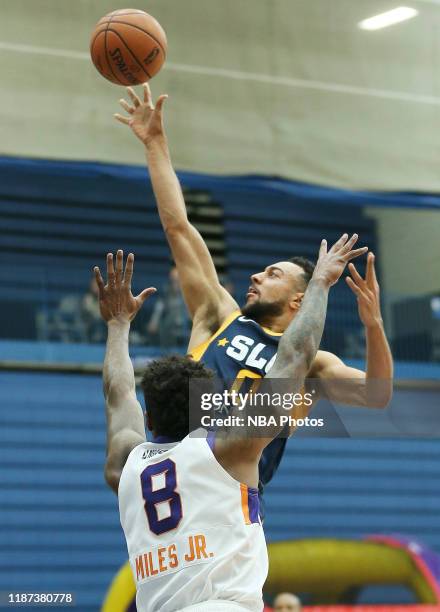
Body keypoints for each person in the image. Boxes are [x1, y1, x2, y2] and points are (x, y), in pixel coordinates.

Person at [114, 84, 393, 499]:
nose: (256, 278)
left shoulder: (312, 363)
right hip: (175, 475)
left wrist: (373, 325)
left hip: (234, 494)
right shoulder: (217, 315)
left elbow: (376, 395)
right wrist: (155, 143)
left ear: (300, 300)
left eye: (273, 274)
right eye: (261, 272)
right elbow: (179, 228)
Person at [95, 237, 362, 612]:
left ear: (150, 417)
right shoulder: (228, 450)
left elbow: (118, 393)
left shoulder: (125, 467)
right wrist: (319, 284)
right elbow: (295, 356)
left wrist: (117, 324)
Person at [147, 265, 189, 347]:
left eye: (178, 281)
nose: (175, 284)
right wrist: (154, 322)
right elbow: (158, 309)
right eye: (173, 281)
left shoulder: (187, 293)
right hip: (170, 327)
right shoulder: (165, 294)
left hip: (186, 325)